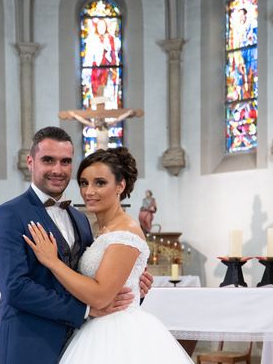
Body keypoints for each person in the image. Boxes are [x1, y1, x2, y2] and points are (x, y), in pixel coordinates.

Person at [0, 127, 152, 364]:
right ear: (30, 162)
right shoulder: (9, 214)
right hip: (29, 343)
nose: (57, 169)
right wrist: (85, 310)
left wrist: (131, 286)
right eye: (48, 160)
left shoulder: (80, 218)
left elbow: (91, 279)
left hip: (80, 345)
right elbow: (15, 288)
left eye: (65, 161)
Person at [24, 147, 193, 364]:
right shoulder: (97, 227)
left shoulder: (126, 231)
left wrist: (52, 262)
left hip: (117, 333)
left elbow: (101, 296)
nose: (89, 191)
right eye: (84, 183)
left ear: (120, 185)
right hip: (94, 326)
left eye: (100, 183)